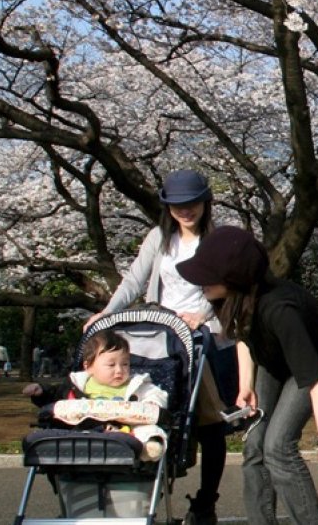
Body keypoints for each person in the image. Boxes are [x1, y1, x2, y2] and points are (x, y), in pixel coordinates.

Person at [83, 169, 229, 525]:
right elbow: (134, 279)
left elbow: (230, 284)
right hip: (161, 333)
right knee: (152, 410)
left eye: (192, 203)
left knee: (208, 423)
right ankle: (143, 493)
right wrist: (107, 313)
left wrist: (204, 313)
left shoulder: (217, 239)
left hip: (203, 334)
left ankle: (206, 500)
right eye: (178, 205)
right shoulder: (159, 238)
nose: (185, 211)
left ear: (205, 202)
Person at [177, 225, 318, 525]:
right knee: (254, 445)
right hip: (273, 361)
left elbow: (313, 380)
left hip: (311, 365)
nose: (200, 282)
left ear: (234, 277)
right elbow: (244, 336)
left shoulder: (279, 308)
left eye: (207, 275)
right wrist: (246, 385)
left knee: (278, 447)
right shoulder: (235, 299)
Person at [24, 330, 168, 461]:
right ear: (88, 367)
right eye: (111, 365)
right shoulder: (77, 384)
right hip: (83, 430)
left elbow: (155, 393)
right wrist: (40, 392)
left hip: (125, 429)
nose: (119, 370)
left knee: (147, 428)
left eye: (125, 364)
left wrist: (153, 403)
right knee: (55, 422)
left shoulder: (136, 385)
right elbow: (56, 397)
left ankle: (148, 448)